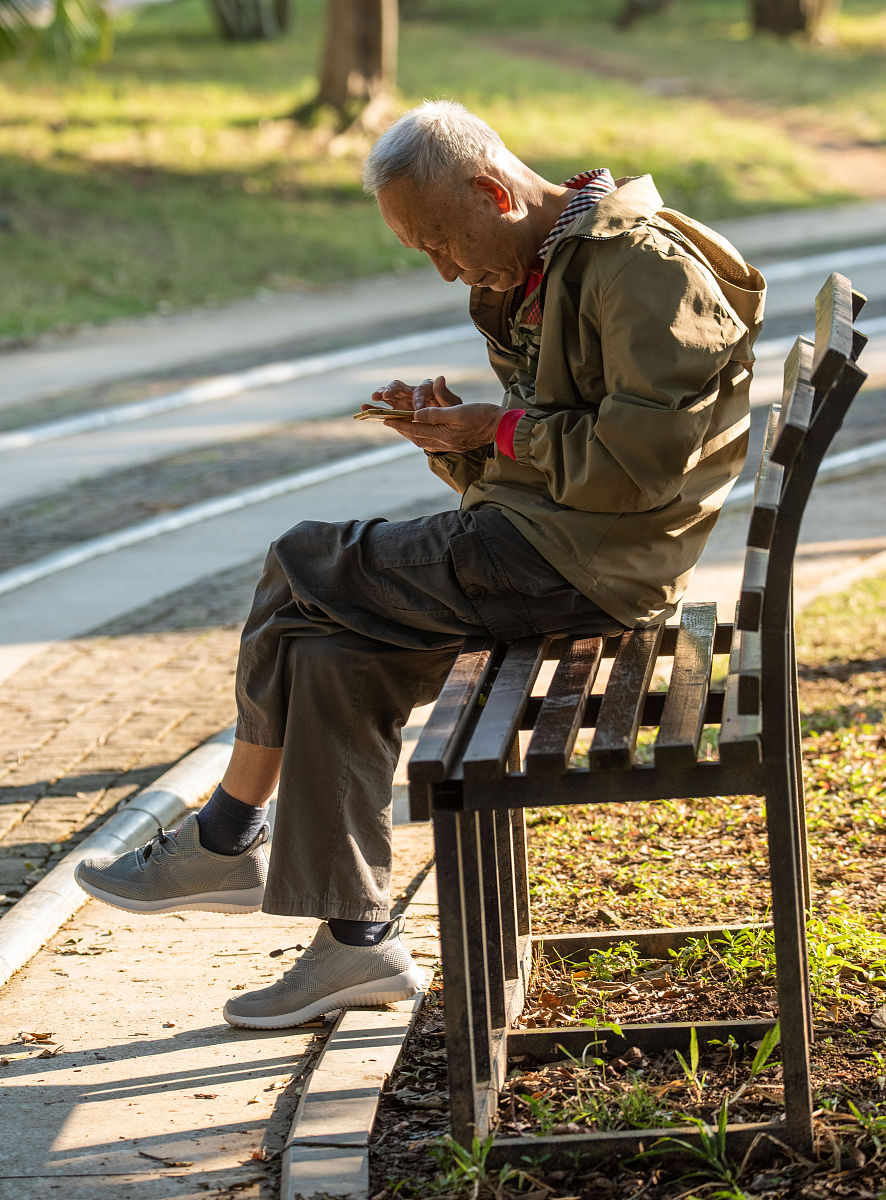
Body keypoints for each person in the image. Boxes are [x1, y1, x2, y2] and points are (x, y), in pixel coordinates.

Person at [75, 100, 765, 1030]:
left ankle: (224, 834)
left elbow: (643, 463)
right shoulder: (554, 262)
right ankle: (355, 946)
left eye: (443, 240)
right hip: (550, 545)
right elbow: (559, 442)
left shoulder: (638, 266)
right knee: (329, 659)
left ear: (492, 190)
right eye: (424, 254)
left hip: (587, 565)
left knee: (303, 561)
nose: (445, 268)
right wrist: (454, 437)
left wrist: (498, 427)